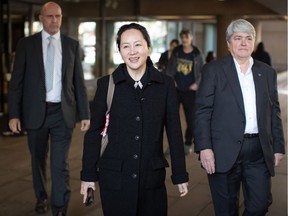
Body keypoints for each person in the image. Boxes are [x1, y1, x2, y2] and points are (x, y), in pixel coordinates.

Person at [80, 23, 188, 216]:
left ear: (148, 47)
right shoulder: (107, 85)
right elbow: (94, 132)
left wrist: (180, 173)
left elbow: (174, 132)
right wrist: (88, 175)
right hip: (115, 178)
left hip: (151, 179)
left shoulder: (165, 85)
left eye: (137, 45)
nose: (132, 52)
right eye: (126, 46)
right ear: (120, 51)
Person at [194, 19, 285, 216]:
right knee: (226, 209)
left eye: (248, 38)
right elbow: (202, 111)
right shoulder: (213, 70)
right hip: (222, 150)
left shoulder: (267, 72)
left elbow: (274, 110)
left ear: (253, 42)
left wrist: (278, 146)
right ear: (229, 43)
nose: (243, 43)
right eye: (238, 38)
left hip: (258, 150)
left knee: (260, 204)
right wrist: (204, 147)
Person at [8, 2, 90, 216]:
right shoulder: (27, 45)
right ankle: (41, 197)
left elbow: (78, 83)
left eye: (58, 16)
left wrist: (85, 114)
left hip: (63, 113)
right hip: (35, 113)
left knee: (60, 163)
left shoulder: (72, 45)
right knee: (37, 160)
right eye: (50, 16)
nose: (54, 20)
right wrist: (14, 114)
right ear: (41, 19)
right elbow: (16, 82)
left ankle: (60, 208)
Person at [166, 28, 204, 155]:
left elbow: (202, 72)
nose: (184, 39)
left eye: (186, 36)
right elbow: (170, 68)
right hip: (176, 90)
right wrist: (172, 81)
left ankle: (188, 143)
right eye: (182, 37)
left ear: (191, 37)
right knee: (172, 119)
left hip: (190, 92)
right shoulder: (177, 51)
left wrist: (197, 84)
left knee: (191, 120)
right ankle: (173, 146)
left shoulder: (197, 53)